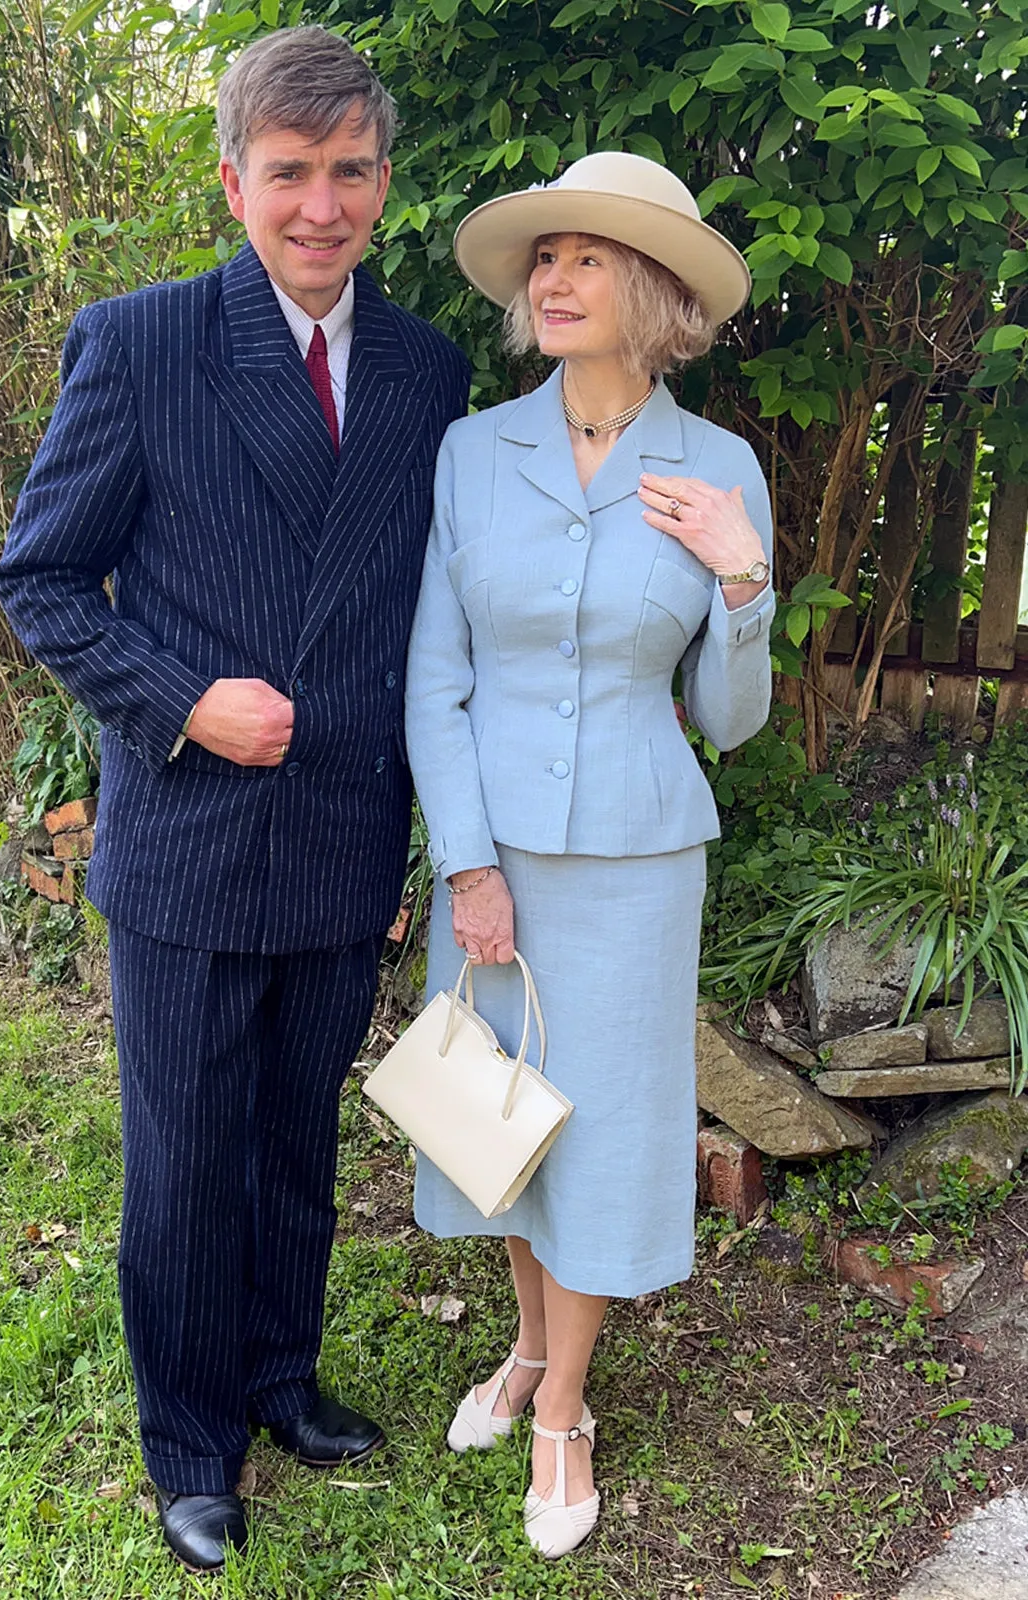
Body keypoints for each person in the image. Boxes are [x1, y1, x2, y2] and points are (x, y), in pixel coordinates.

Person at [0, 26, 469, 1571]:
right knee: (186, 1155)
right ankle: (190, 1436)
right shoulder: (139, 344)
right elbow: (42, 581)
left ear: (383, 183)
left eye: (346, 172)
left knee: (293, 1143)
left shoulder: (427, 370)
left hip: (339, 833)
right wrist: (186, 698)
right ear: (234, 180)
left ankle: (280, 1374)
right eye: (287, 174)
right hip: (194, 836)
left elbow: (428, 612)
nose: (317, 205)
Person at [405, 151, 773, 1558]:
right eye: (542, 257)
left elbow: (727, 720)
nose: (552, 279)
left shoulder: (719, 468)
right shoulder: (471, 453)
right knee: (497, 1114)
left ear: (658, 292)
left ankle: (563, 1403)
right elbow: (434, 678)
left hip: (635, 859)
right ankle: (520, 1338)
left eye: (587, 257)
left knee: (602, 1129)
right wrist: (467, 861)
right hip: (490, 849)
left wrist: (743, 574)